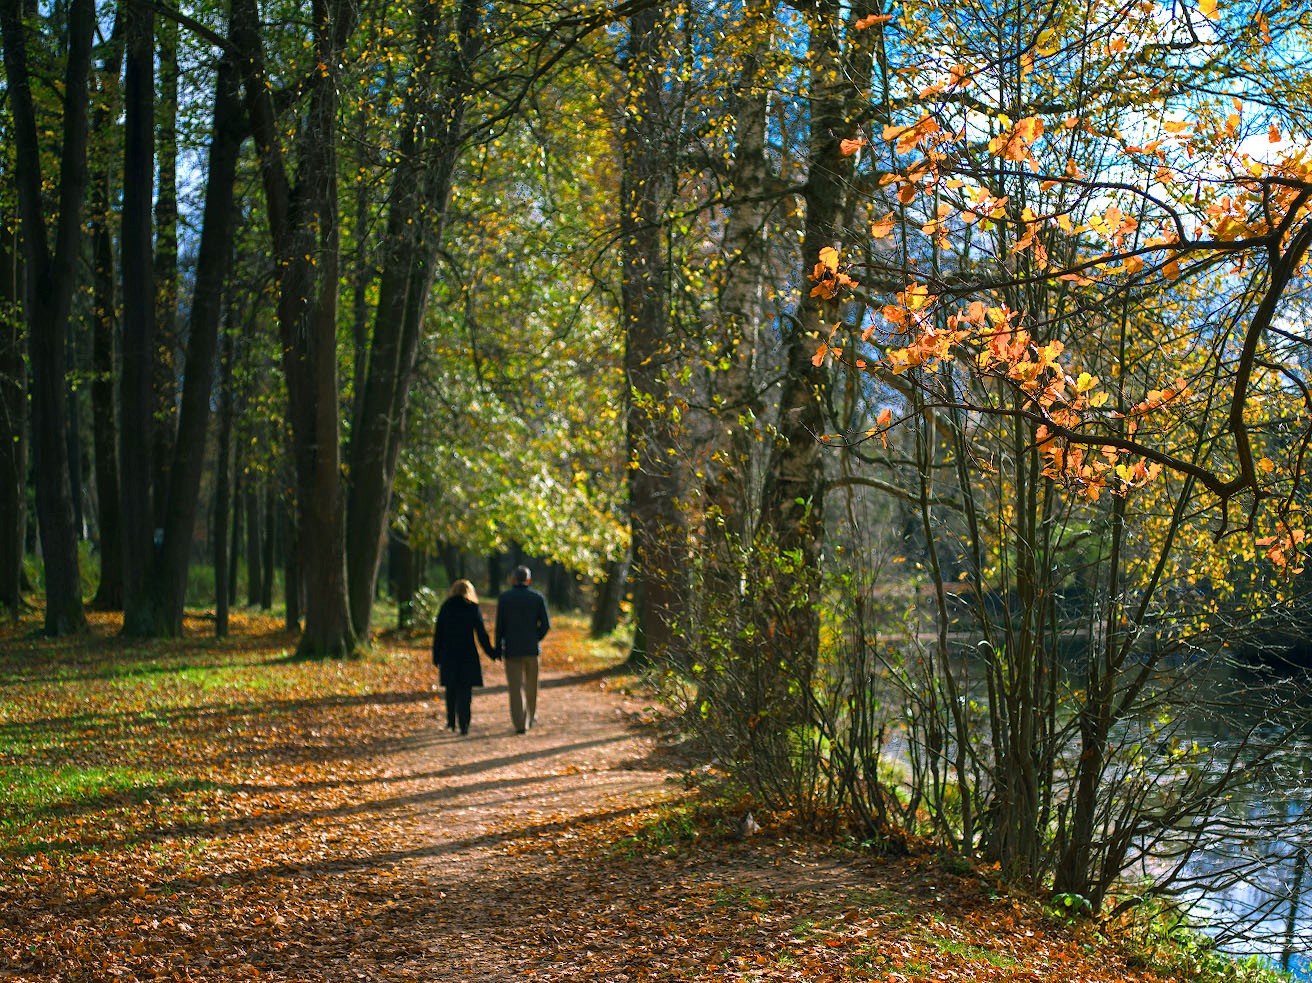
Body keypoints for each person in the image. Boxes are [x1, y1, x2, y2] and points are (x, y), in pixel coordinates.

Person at [431, 579, 495, 736]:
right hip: (467, 654)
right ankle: (464, 724)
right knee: (465, 690)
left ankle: (451, 721)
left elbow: (439, 633)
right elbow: (481, 634)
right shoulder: (472, 608)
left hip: (448, 653)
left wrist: (436, 655)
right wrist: (492, 653)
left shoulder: (446, 607)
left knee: (451, 689)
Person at [495, 565, 551, 734]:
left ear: (513, 579)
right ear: (528, 580)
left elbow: (500, 627)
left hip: (512, 649)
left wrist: (498, 648)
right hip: (531, 649)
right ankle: (530, 716)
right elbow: (546, 625)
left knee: (515, 688)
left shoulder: (505, 598)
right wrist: (536, 638)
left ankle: (520, 723)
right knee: (531, 686)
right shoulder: (537, 598)